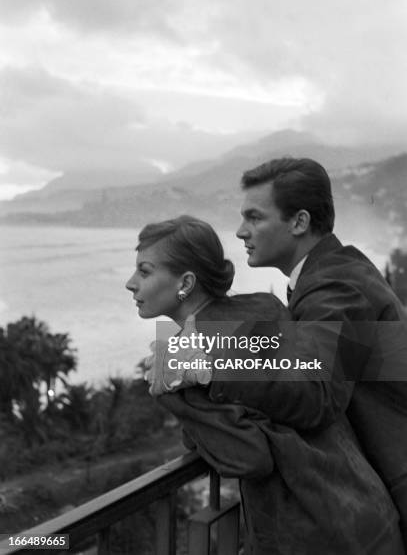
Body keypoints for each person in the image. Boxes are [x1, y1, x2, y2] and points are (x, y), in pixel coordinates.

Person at [126, 215, 403, 554]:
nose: (131, 283)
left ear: (185, 282)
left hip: (315, 533)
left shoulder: (181, 366)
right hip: (369, 508)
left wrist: (179, 404)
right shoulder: (263, 305)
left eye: (145, 271)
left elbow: (249, 458)